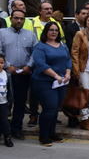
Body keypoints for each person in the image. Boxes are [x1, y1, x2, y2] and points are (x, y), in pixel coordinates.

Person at [31, 22, 71, 146]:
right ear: (46, 32)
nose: (54, 32)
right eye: (51, 30)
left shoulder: (63, 45)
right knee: (49, 108)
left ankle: (52, 133)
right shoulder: (40, 46)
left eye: (56, 30)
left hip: (60, 83)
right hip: (44, 82)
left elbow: (68, 60)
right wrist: (55, 76)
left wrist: (68, 73)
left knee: (55, 109)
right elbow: (41, 64)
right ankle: (43, 136)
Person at [0, 9, 37, 140]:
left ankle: (16, 128)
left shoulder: (31, 35)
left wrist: (29, 66)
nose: (19, 21)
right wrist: (7, 65)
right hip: (6, 74)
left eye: (21, 18)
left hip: (24, 73)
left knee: (20, 103)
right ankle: (3, 129)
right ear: (11, 18)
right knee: (4, 102)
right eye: (16, 18)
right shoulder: (2, 33)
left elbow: (35, 52)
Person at [0, 54, 14, 147]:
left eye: (1, 62)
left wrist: (10, 101)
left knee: (4, 120)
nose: (0, 64)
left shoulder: (6, 74)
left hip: (3, 102)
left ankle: (7, 137)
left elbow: (10, 89)